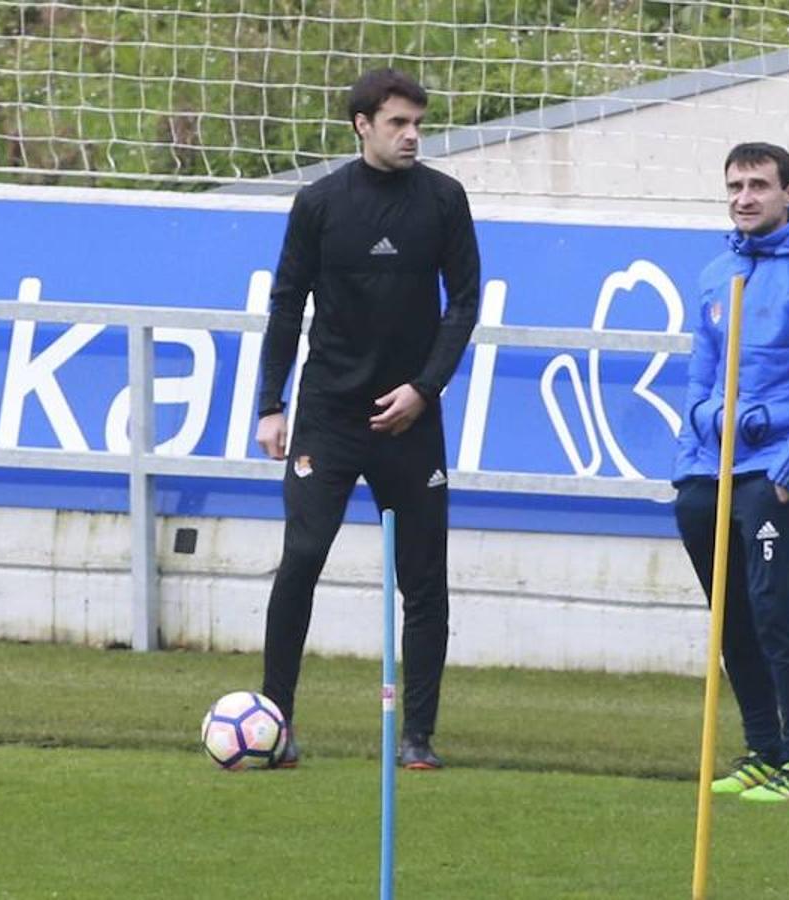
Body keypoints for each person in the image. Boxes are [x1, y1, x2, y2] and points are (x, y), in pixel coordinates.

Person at [255, 68, 481, 770]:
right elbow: (287, 304)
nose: (412, 135)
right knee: (301, 559)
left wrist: (424, 388)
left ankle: (417, 736)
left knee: (424, 579)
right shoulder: (319, 203)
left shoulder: (444, 200)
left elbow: (465, 303)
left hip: (410, 420)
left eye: (418, 123)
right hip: (328, 416)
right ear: (362, 125)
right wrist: (271, 402)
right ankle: (274, 724)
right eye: (397, 123)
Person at [672, 142, 789, 802]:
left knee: (773, 612)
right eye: (734, 186)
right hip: (708, 470)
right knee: (730, 617)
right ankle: (760, 750)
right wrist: (699, 435)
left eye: (758, 185)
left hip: (776, 473)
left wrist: (788, 470)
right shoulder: (715, 274)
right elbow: (700, 374)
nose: (744, 197)